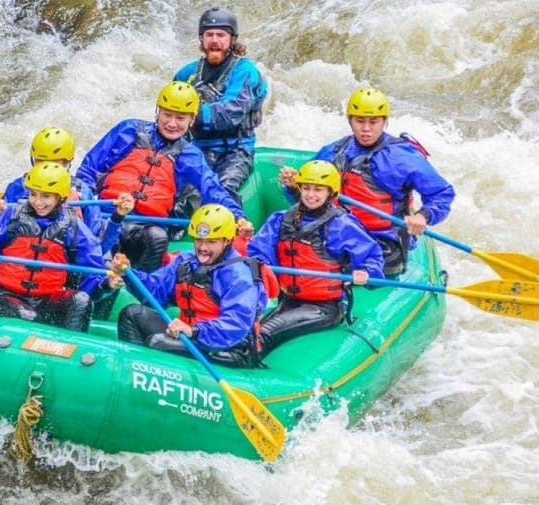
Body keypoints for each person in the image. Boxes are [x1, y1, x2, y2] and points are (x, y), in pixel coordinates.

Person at [76, 80, 252, 273]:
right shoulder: (128, 130)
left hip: (147, 226)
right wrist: (78, 194)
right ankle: (100, 279)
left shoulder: (189, 155)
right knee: (101, 234)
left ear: (191, 120)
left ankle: (143, 291)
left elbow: (211, 189)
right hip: (107, 215)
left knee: (158, 238)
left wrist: (238, 216)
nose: (172, 123)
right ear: (157, 111)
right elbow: (88, 170)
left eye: (180, 118)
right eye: (167, 115)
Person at [282, 87, 455, 276]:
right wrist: (293, 187)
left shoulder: (402, 157)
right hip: (338, 235)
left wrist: (424, 215)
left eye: (373, 122)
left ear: (385, 122)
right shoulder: (333, 152)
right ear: (350, 121)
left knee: (331, 265)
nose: (366, 129)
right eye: (360, 121)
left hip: (382, 243)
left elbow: (441, 193)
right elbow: (309, 204)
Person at [0, 161, 128, 332]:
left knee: (81, 301)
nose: (38, 202)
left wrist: (109, 283)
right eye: (33, 194)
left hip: (47, 300)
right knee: (26, 315)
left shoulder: (74, 228)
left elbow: (92, 274)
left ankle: (67, 350)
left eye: (46, 196)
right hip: (4, 296)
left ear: (60, 197)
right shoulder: (10, 219)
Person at [249, 161, 384, 356]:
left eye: (318, 190)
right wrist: (260, 267)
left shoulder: (341, 225)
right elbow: (258, 251)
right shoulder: (281, 219)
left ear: (331, 193)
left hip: (324, 307)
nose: (311, 195)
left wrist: (366, 271)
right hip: (288, 299)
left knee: (265, 332)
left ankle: (246, 362)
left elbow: (372, 255)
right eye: (306, 188)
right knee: (247, 328)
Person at [117, 204, 267, 368]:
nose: (202, 248)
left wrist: (194, 331)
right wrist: (129, 274)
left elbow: (236, 324)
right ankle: (132, 374)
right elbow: (155, 291)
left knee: (158, 343)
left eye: (211, 242)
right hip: (190, 337)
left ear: (227, 241)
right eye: (198, 240)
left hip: (228, 348)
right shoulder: (186, 261)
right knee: (132, 314)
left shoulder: (239, 274)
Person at [172, 6, 267, 215]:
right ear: (202, 39)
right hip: (195, 147)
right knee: (173, 192)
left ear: (232, 39)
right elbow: (167, 112)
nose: (214, 40)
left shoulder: (245, 71)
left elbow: (230, 113)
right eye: (209, 35)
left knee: (222, 192)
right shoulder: (186, 74)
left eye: (221, 35)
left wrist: (191, 113)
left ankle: (231, 235)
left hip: (234, 151)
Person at [0, 126, 129, 255]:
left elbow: (98, 246)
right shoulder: (18, 187)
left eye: (53, 163)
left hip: (61, 269)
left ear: (67, 162)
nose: (46, 169)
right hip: (20, 261)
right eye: (40, 161)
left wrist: (117, 217)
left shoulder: (82, 193)